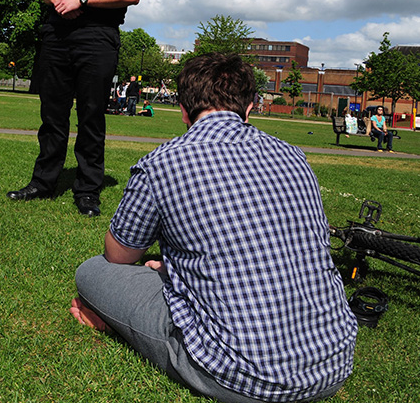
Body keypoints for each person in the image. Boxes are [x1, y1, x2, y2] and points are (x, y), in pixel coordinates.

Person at [71, 53, 356, 403]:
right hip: (334, 363)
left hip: (241, 376)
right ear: (250, 107)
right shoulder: (294, 156)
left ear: (184, 110)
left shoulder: (163, 163)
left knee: (93, 270)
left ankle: (114, 321)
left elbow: (118, 254)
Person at [7, 0, 145, 217]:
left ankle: (87, 190)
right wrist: (60, 1)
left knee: (92, 115)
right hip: (57, 33)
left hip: (97, 37)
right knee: (51, 115)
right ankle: (43, 182)